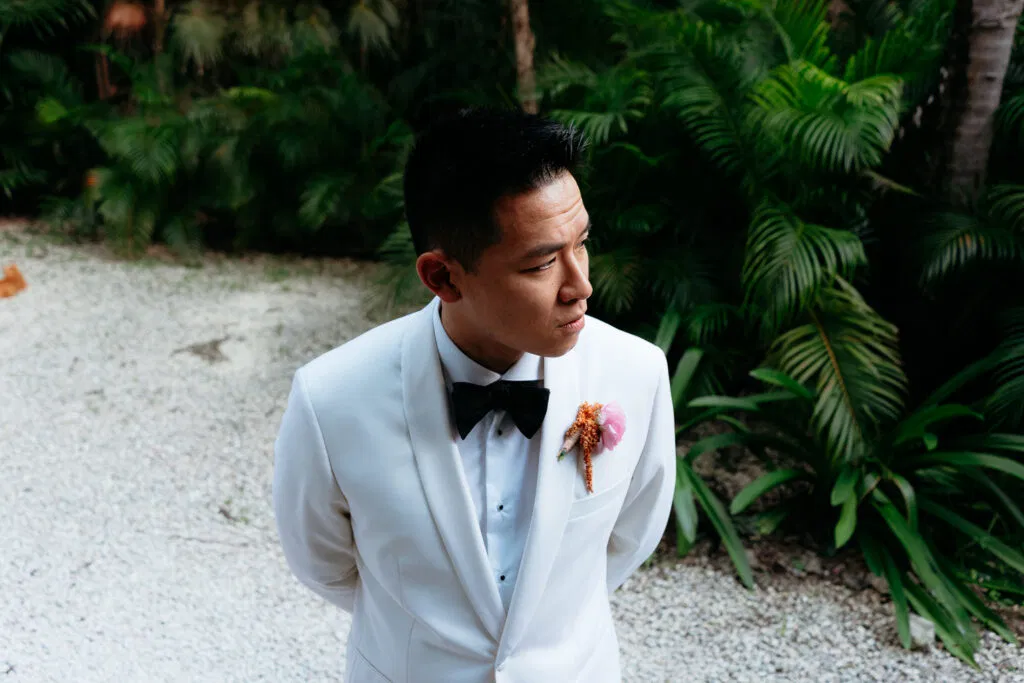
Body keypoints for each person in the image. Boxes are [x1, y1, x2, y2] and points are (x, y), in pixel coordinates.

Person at [272, 108, 676, 683]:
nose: (581, 285)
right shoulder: (331, 399)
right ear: (442, 276)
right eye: (541, 263)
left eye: (581, 244)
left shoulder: (637, 373)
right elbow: (324, 565)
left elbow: (627, 540)